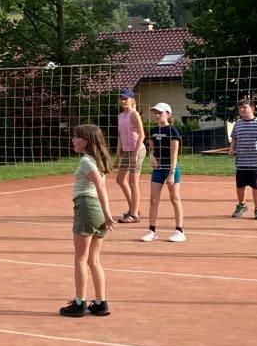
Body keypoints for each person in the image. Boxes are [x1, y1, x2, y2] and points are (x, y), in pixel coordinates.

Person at [61, 124, 115, 317]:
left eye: (77, 137)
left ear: (86, 141)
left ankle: (79, 303)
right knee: (94, 259)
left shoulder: (86, 160)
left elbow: (100, 185)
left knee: (81, 258)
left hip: (87, 207)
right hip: (96, 211)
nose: (73, 140)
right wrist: (105, 214)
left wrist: (108, 213)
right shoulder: (97, 160)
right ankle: (100, 303)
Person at [140, 103, 187, 243]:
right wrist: (151, 156)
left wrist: (172, 173)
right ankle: (152, 231)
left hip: (170, 168)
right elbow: (152, 149)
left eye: (160, 112)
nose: (157, 115)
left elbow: (174, 154)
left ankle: (180, 231)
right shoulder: (153, 130)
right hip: (158, 169)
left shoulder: (173, 131)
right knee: (153, 200)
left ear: (168, 114)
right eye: (155, 112)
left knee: (175, 198)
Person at [114, 90, 146, 223]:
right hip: (127, 151)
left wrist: (135, 154)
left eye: (125, 99)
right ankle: (133, 208)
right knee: (120, 179)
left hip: (137, 150)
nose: (123, 101)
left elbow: (142, 135)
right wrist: (117, 156)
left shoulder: (134, 114)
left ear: (132, 100)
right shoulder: (120, 116)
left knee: (133, 182)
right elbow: (120, 137)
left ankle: (134, 215)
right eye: (121, 99)